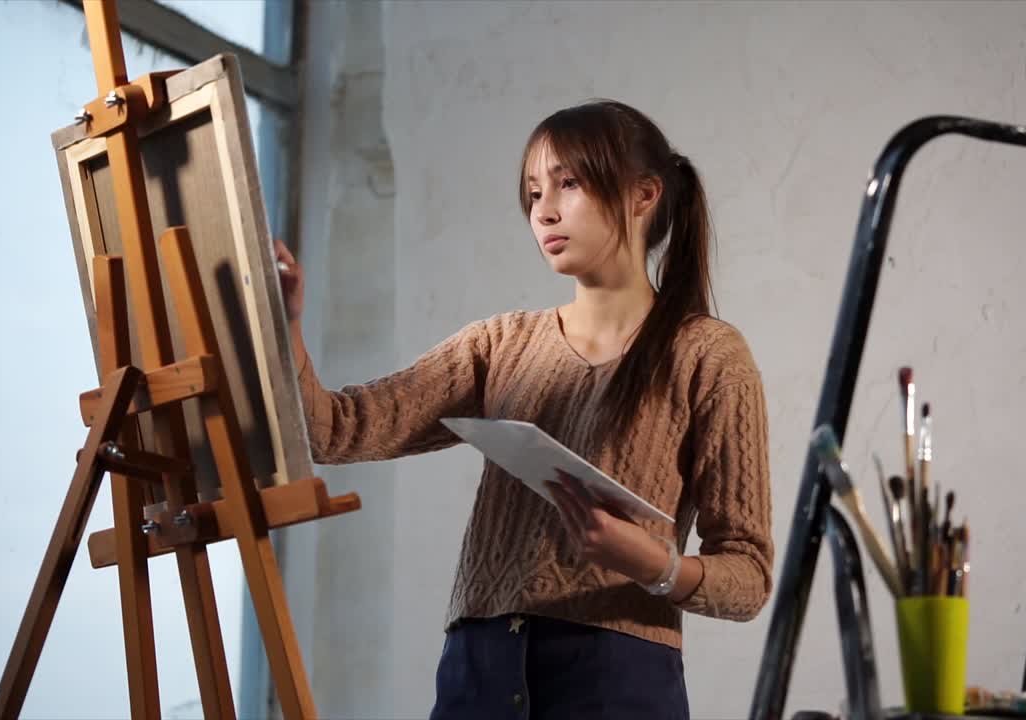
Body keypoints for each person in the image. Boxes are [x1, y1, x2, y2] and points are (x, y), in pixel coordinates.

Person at [275, 99, 772, 720]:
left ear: (644, 194)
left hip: (615, 674)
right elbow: (334, 431)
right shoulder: (499, 344)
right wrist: (286, 328)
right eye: (533, 192)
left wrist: (652, 563)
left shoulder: (708, 354)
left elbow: (748, 577)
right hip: (479, 666)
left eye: (569, 183)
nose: (544, 211)